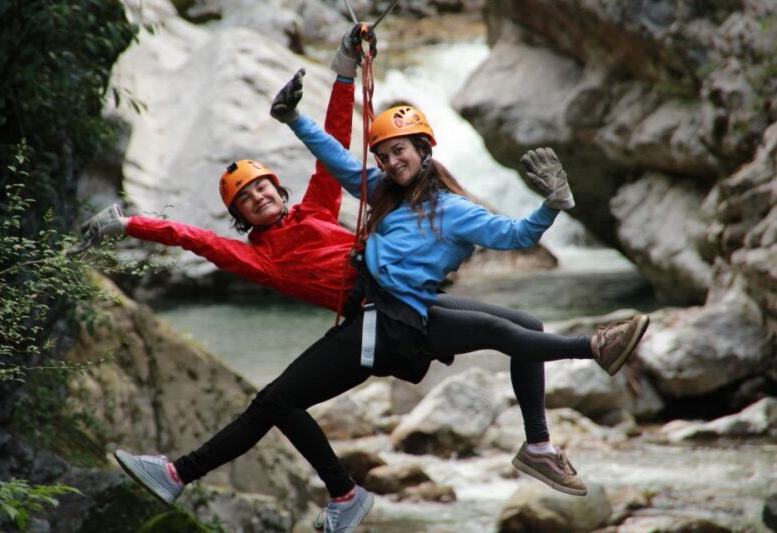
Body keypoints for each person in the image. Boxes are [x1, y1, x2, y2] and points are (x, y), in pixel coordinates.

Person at [71, 30, 648, 533]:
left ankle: (538, 446)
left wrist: (344, 70)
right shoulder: (260, 258)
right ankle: (294, 486)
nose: (262, 196)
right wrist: (129, 224)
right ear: (242, 219)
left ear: (280, 188)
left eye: (265, 186)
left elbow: (331, 151)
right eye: (248, 199)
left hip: (399, 309)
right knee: (275, 402)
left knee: (522, 324)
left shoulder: (323, 210)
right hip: (377, 321)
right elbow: (192, 238)